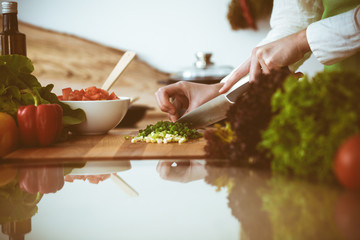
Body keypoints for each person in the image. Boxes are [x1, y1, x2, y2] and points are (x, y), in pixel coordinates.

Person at [155, 0, 360, 122]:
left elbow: (297, 38)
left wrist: (302, 41)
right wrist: (222, 90)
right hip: (342, 95)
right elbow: (295, 19)